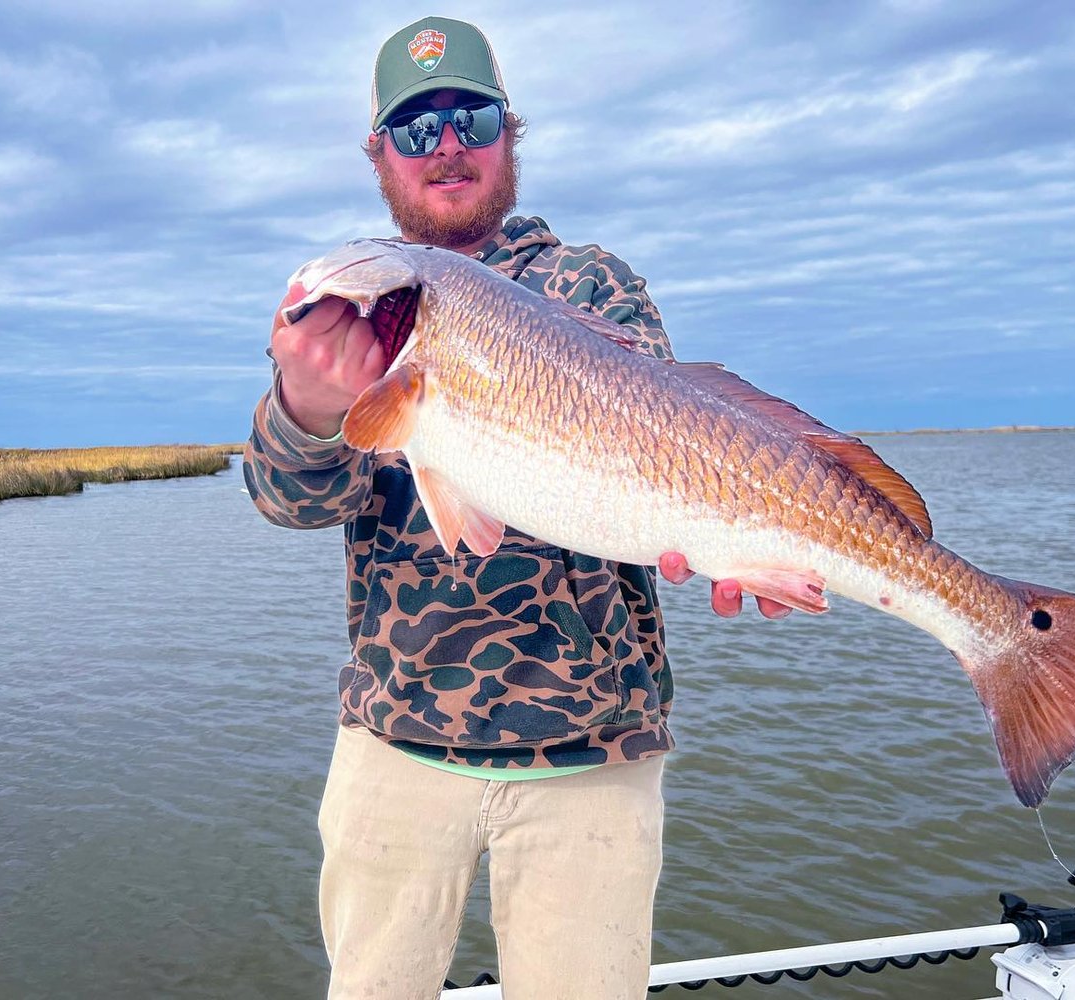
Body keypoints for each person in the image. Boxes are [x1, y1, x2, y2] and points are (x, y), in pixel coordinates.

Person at [243, 17, 787, 1000]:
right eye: (414, 128)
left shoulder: (593, 283)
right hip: (393, 746)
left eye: (469, 116)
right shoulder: (354, 309)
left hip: (593, 751)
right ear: (379, 155)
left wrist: (731, 539)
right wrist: (308, 405)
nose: (444, 144)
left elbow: (668, 460)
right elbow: (287, 500)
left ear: (509, 131)